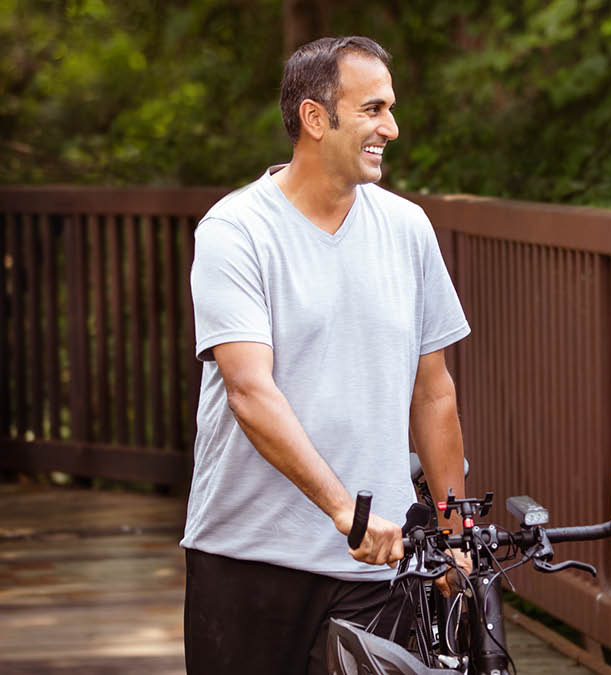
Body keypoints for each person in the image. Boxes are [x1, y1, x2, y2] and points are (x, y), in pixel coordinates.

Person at [182, 36, 471, 674]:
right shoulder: (235, 232)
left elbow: (433, 392)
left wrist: (452, 533)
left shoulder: (408, 228)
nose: (390, 128)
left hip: (378, 564)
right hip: (250, 554)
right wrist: (344, 510)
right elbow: (249, 392)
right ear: (316, 119)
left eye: (390, 109)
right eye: (372, 110)